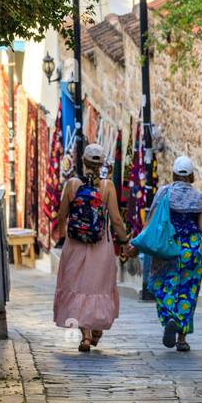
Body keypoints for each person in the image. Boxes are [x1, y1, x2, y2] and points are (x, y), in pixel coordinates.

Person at [53, 142, 131, 352]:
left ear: (83, 161)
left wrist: (63, 237)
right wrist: (124, 242)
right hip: (101, 246)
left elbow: (61, 216)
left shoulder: (72, 185)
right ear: (102, 163)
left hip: (75, 245)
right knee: (98, 287)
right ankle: (96, 329)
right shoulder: (107, 187)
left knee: (78, 286)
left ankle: (85, 336)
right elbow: (115, 219)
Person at [145, 155, 202, 352]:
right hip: (192, 250)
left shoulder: (164, 193)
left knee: (165, 286)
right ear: (192, 176)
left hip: (168, 248)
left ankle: (171, 317)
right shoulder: (198, 198)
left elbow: (152, 224)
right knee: (188, 292)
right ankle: (181, 338)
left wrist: (137, 244)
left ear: (173, 173)